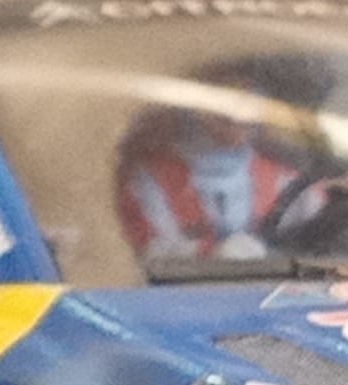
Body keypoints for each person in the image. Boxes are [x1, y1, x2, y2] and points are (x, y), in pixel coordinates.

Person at [115, 55, 335, 263]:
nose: (235, 113)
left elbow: (323, 249)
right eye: (219, 100)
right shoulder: (148, 183)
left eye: (248, 98)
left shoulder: (289, 184)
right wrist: (211, 254)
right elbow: (144, 253)